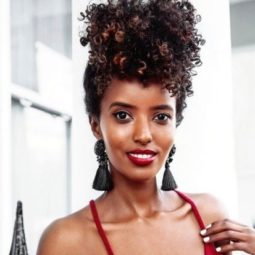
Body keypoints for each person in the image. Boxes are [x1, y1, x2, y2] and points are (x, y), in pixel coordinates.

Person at [37, 0, 255, 254]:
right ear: (96, 125)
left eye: (161, 117)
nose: (143, 135)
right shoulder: (65, 241)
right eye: (122, 115)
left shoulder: (209, 217)